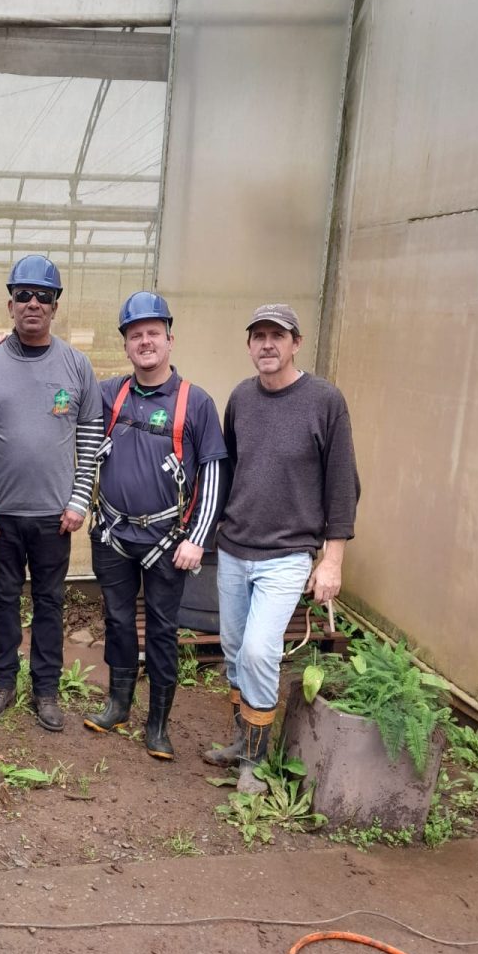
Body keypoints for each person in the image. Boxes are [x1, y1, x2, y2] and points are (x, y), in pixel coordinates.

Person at [207, 303, 360, 792]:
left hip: (288, 554)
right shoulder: (241, 399)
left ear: (296, 343)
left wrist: (331, 559)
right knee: (234, 649)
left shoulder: (324, 401)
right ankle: (241, 742)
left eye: (278, 335)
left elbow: (342, 484)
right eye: (259, 336)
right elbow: (231, 472)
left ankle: (256, 761)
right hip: (234, 548)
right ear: (249, 345)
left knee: (258, 650)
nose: (267, 345)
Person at [84, 292, 228, 759]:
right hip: (113, 535)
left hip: (169, 541)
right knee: (118, 619)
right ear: (125, 345)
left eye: (152, 333)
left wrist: (197, 540)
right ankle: (118, 703)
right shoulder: (109, 394)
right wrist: (13, 348)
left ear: (169, 338)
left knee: (163, 630)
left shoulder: (196, 402)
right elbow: (61, 395)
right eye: (134, 335)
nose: (145, 342)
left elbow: (214, 473)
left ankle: (158, 723)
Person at [0, 255, 103, 732]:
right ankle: (3, 682)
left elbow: (90, 434)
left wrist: (79, 500)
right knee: (3, 598)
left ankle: (46, 689)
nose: (34, 303)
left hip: (54, 516)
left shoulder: (76, 365)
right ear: (10, 304)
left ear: (56, 307)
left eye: (44, 296)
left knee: (50, 600)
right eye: (24, 295)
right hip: (0, 513)